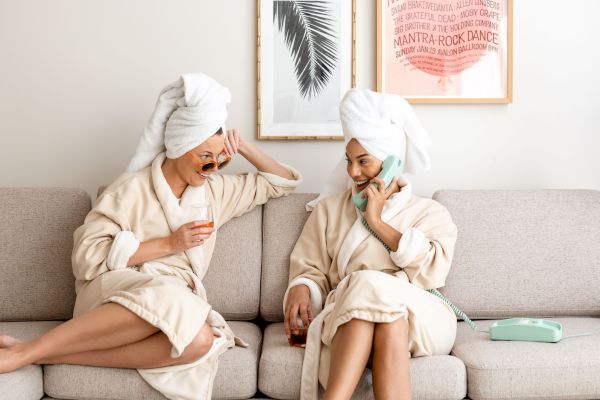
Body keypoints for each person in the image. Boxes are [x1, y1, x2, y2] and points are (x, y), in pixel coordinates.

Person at [0, 72, 302, 400]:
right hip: (115, 294)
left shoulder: (215, 192)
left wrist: (240, 146)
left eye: (219, 162)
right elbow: (86, 257)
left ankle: (43, 353)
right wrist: (169, 245)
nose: (212, 169)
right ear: (178, 149)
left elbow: (282, 181)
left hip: (174, 299)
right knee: (171, 300)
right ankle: (23, 354)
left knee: (201, 341)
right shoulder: (131, 188)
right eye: (205, 160)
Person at [283, 89, 457, 400]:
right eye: (349, 161)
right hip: (355, 317)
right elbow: (309, 268)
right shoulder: (329, 210)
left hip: (422, 317)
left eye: (363, 161)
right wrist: (301, 285)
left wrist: (376, 221)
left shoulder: (430, 213)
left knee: (367, 283)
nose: (352, 172)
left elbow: (432, 273)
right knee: (387, 319)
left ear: (392, 162)